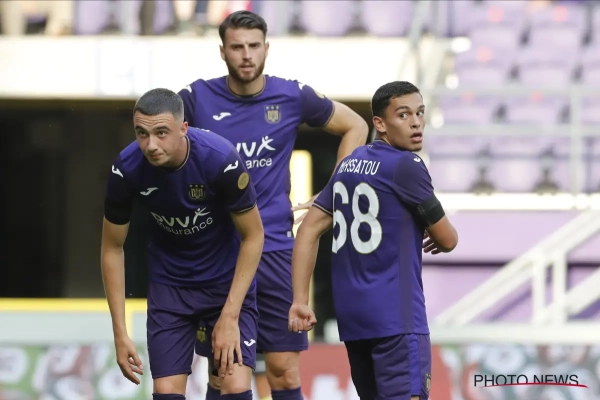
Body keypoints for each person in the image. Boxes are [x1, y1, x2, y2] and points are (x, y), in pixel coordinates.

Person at [177, 10, 369, 400]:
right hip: (220, 254)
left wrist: (335, 192)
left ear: (266, 48)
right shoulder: (195, 98)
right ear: (222, 51)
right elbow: (157, 138)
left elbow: (357, 126)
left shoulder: (291, 95)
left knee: (283, 371)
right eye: (237, 47)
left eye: (253, 46)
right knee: (226, 374)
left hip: (276, 250)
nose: (246, 55)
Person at [288, 81, 459, 400]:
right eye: (403, 115)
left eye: (420, 113)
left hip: (355, 323)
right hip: (397, 321)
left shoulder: (348, 165)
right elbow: (448, 239)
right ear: (379, 123)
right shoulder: (407, 166)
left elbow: (308, 230)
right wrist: (434, 231)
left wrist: (299, 300)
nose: (416, 122)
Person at [100, 88, 264, 400]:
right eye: (142, 133)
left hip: (225, 283)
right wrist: (120, 333)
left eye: (161, 133)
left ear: (183, 128)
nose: (151, 145)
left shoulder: (221, 159)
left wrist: (230, 316)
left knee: (233, 384)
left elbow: (254, 235)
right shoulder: (126, 169)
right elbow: (111, 247)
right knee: (166, 392)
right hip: (170, 287)